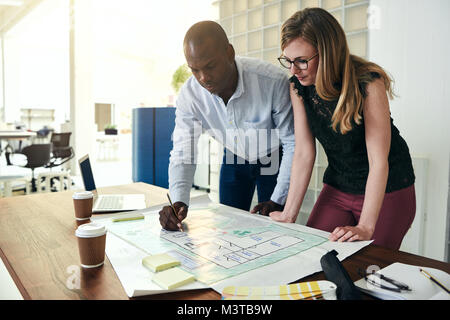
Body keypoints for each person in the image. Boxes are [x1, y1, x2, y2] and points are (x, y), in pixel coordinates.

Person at [269, 8, 416, 250]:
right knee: (312, 253)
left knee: (368, 269)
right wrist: (288, 214)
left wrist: (366, 227)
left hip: (389, 188)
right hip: (339, 185)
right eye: (288, 60)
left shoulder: (368, 82)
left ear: (328, 53)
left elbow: (378, 161)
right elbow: (304, 152)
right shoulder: (298, 86)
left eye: (302, 61)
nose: (293, 70)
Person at [159, 21, 295, 231]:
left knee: (277, 226)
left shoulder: (272, 81)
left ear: (229, 53)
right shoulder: (190, 95)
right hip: (233, 155)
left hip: (273, 156)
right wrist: (177, 201)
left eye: (210, 66)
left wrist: (278, 198)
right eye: (195, 70)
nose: (203, 78)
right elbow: (183, 151)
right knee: (229, 227)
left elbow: (292, 143)